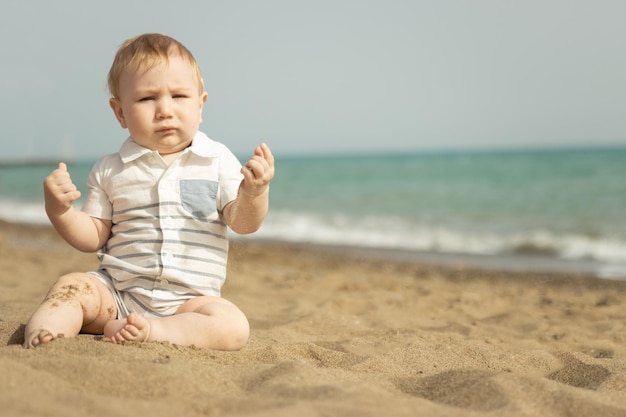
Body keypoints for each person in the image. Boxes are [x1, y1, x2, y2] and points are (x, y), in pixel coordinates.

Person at [23, 33, 274, 350]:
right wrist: (59, 211)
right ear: (121, 113)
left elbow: (243, 223)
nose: (165, 110)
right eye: (147, 99)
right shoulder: (111, 169)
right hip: (117, 293)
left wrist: (254, 193)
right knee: (71, 287)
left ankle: (154, 330)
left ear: (201, 104)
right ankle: (46, 336)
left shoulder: (217, 160)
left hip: (189, 302)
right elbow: (93, 236)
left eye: (179, 96)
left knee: (232, 326)